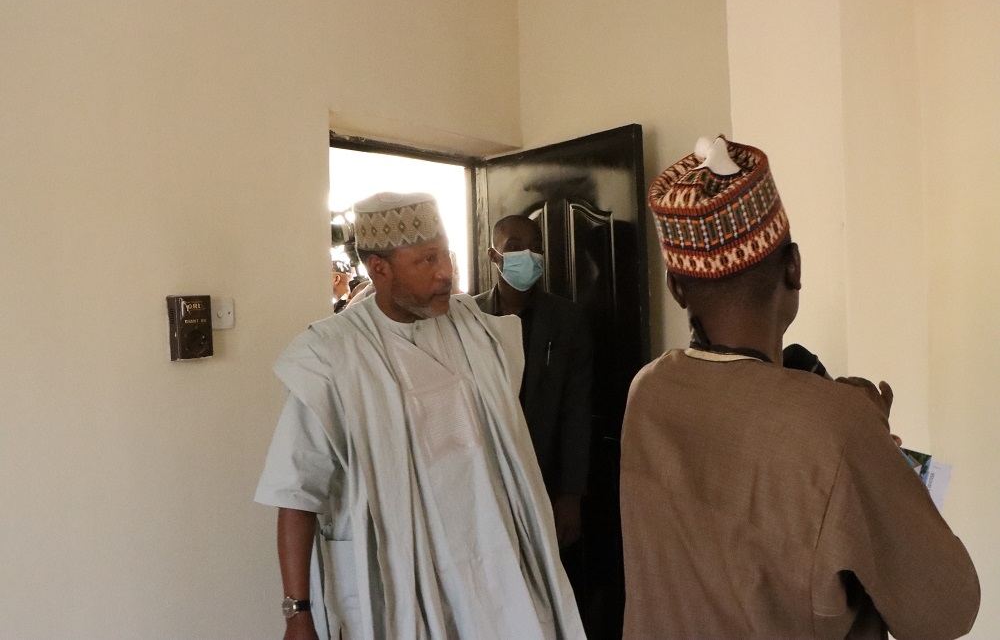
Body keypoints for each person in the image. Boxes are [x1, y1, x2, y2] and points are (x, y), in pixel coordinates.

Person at [619, 136, 980, 639]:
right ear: (794, 266)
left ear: (677, 287)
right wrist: (868, 432)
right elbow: (947, 610)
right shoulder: (837, 424)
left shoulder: (647, 392)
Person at [256, 192, 584, 640]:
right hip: (398, 576)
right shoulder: (332, 356)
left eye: (445, 254)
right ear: (380, 268)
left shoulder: (473, 328)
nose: (447, 271)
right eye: (427, 260)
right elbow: (296, 492)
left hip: (489, 561)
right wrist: (298, 614)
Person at [474, 215, 593, 550]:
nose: (527, 255)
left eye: (535, 247)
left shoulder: (567, 320)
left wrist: (571, 495)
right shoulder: (469, 317)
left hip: (546, 475)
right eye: (514, 247)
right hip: (487, 476)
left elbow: (577, 411)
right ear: (493, 255)